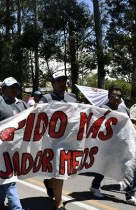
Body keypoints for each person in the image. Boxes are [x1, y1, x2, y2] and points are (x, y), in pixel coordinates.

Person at [89, 86, 136, 207]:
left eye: (119, 96)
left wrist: (135, 138)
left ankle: (130, 196)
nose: (117, 98)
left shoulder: (124, 109)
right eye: (114, 95)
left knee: (128, 167)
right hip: (107, 144)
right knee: (104, 166)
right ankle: (95, 186)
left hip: (122, 144)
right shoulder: (102, 109)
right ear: (109, 96)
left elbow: (130, 125)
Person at [0, 77, 27, 210]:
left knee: (6, 176)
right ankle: (17, 208)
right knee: (10, 179)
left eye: (16, 87)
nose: (14, 90)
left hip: (17, 147)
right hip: (1, 147)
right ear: (3, 89)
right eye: (11, 87)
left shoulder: (22, 104)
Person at [39, 72, 76, 210]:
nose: (62, 84)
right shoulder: (46, 99)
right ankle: (58, 203)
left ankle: (49, 183)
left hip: (68, 140)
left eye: (64, 81)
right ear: (53, 83)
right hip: (51, 140)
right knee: (59, 170)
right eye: (58, 81)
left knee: (59, 169)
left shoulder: (72, 98)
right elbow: (38, 116)